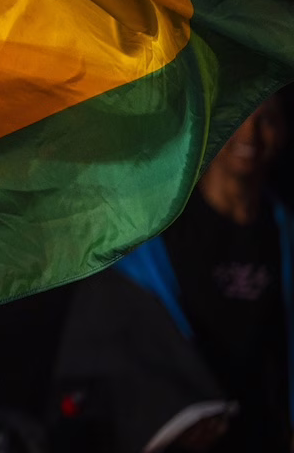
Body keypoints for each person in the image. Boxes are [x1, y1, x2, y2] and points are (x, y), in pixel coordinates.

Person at [51, 90, 294, 452]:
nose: (250, 134)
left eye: (267, 119)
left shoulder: (283, 230)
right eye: (239, 114)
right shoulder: (155, 233)